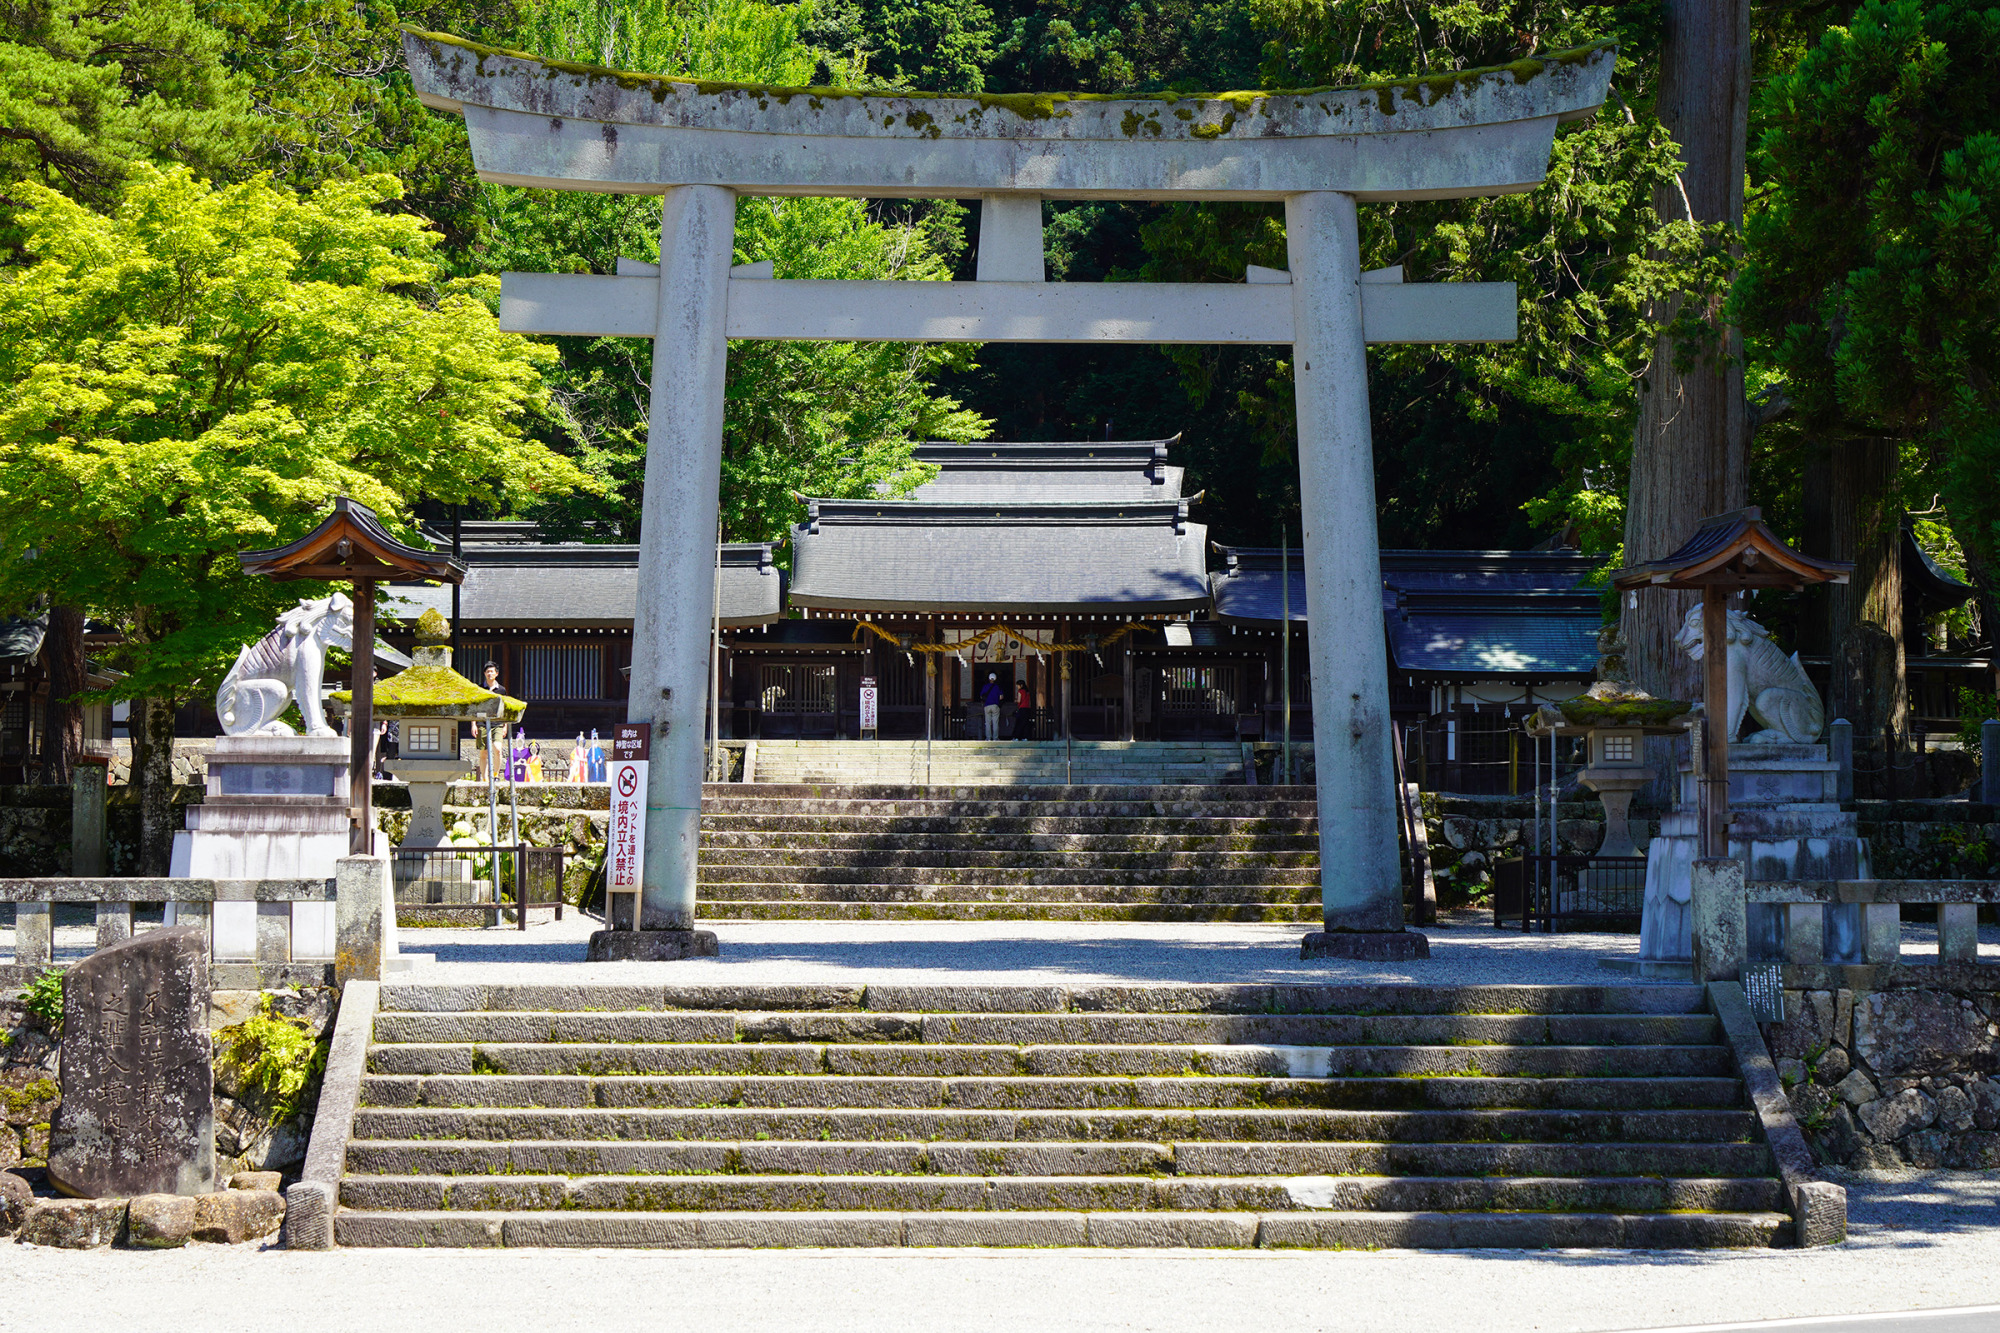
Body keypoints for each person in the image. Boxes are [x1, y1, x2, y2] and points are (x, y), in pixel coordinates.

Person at [979, 672, 1004, 740]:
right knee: (995, 723)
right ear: (996, 679)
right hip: (995, 705)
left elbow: (981, 696)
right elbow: (1001, 697)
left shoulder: (985, 686)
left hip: (987, 705)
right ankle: (995, 738)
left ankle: (988, 738)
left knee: (987, 723)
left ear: (989, 678)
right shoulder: (998, 687)